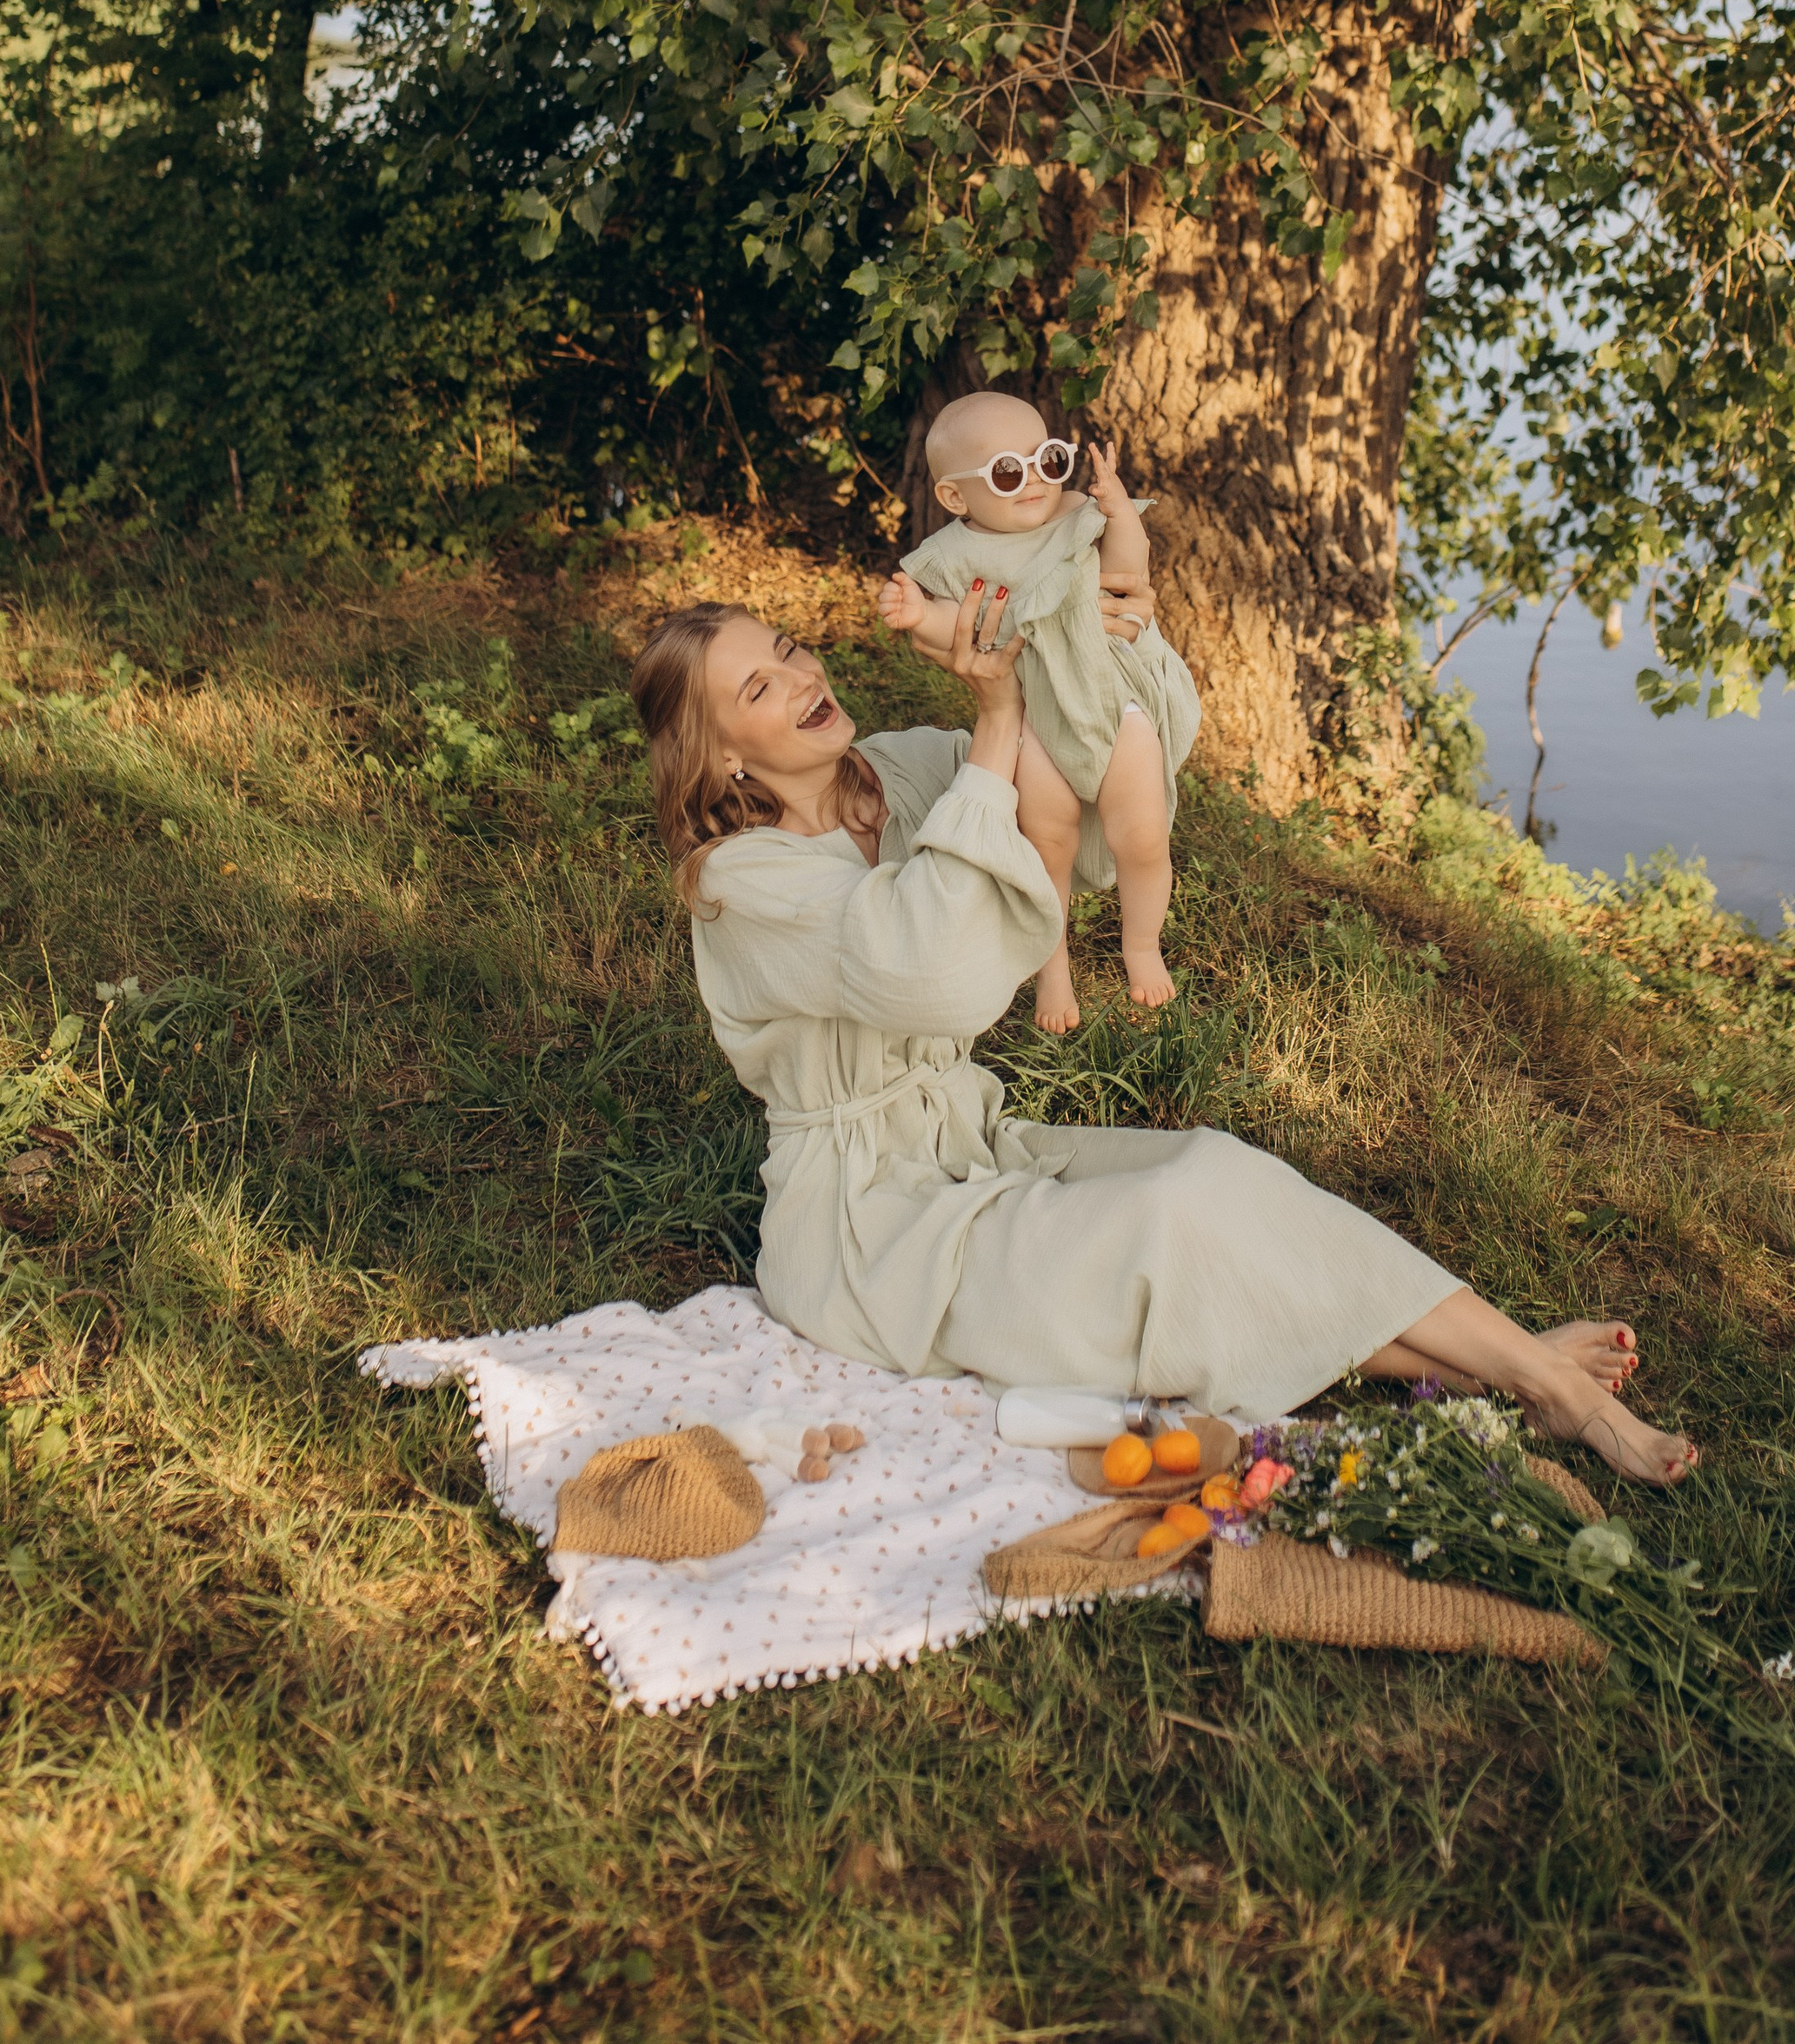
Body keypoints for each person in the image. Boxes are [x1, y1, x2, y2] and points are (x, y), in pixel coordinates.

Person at [628, 580, 1697, 1479]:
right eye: (758, 688)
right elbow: (934, 974)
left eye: (791, 650)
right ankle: (1540, 1379)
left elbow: (1087, 802)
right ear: (719, 755)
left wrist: (1088, 641)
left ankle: (1507, 1366)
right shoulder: (738, 879)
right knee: (1166, 1228)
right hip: (869, 1231)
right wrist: (996, 730)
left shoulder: (900, 775)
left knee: (1217, 1173)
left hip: (970, 1142)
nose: (804, 679)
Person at [879, 390, 1196, 1028]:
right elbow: (957, 626)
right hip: (1033, 717)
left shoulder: (1078, 513)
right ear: (955, 497)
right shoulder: (954, 556)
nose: (1034, 481)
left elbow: (1129, 574)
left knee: (1142, 832)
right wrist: (920, 613)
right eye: (1006, 471)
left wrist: (1118, 512)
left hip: (1113, 698)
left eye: (1047, 460)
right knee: (1045, 845)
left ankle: (1141, 945)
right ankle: (1054, 971)